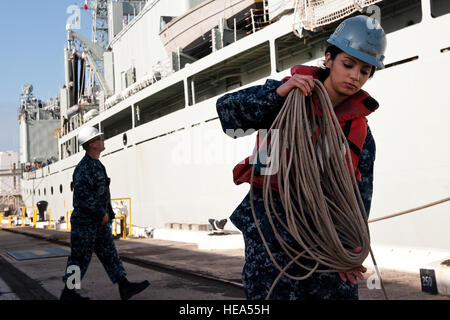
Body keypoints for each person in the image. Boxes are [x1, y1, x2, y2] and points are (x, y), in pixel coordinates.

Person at [216, 15, 387, 300]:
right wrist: (277, 95)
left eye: (365, 70)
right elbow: (228, 114)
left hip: (326, 242)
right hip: (274, 238)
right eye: (348, 64)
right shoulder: (286, 97)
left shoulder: (360, 133)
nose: (355, 76)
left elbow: (359, 197)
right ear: (329, 58)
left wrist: (352, 251)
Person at [60, 126, 150, 300]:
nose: (102, 140)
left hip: (98, 224)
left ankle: (124, 287)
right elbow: (83, 196)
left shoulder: (97, 164)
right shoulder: (84, 168)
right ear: (91, 144)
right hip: (85, 224)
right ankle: (68, 295)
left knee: (110, 254)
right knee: (78, 260)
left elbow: (101, 194)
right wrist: (101, 213)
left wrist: (107, 214)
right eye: (99, 138)